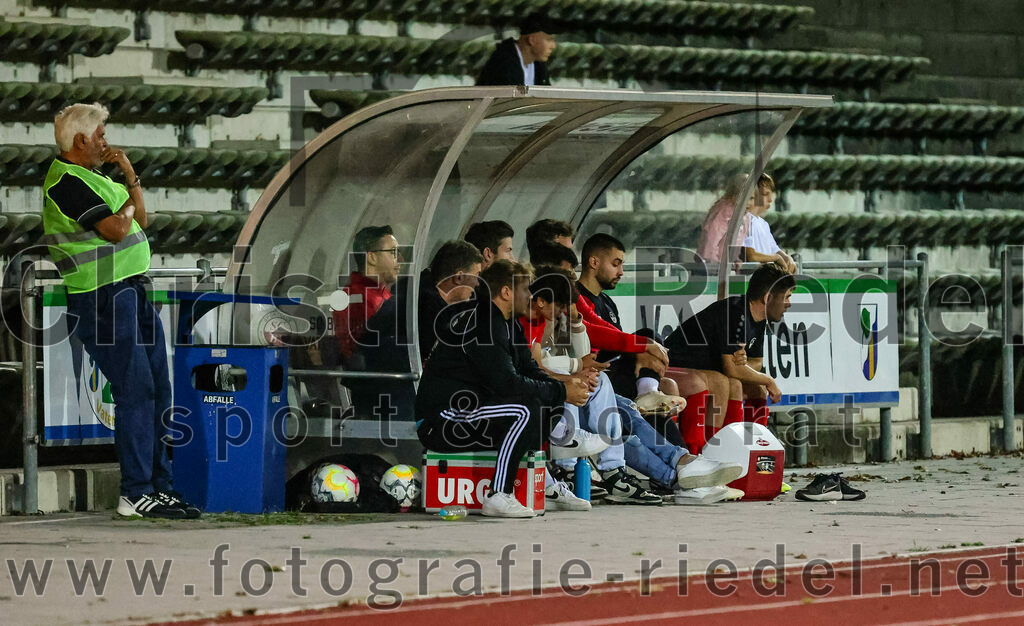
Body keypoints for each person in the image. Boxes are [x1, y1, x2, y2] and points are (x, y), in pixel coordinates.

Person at [42, 103, 199, 519]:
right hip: (101, 296)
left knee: (158, 390)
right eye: (100, 136)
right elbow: (117, 228)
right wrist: (125, 211)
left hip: (129, 290)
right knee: (135, 392)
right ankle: (135, 491)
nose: (105, 143)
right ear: (80, 141)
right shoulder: (64, 182)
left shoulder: (96, 178)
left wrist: (130, 176)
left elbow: (139, 219)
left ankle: (159, 487)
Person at [523, 267, 742, 504]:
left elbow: (593, 334)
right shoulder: (530, 318)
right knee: (623, 415)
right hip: (556, 400)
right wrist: (577, 369)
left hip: (582, 395)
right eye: (562, 305)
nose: (564, 311)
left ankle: (681, 471)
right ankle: (678, 473)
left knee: (623, 411)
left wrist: (576, 323)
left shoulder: (564, 311)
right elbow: (540, 364)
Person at [416, 260, 590, 518]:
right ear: (507, 292)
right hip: (441, 419)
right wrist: (563, 391)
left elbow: (529, 369)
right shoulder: (483, 323)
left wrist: (563, 385)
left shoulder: (509, 323)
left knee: (548, 403)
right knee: (526, 409)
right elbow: (507, 383)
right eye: (526, 289)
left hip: (474, 411)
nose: (531, 295)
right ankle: (498, 495)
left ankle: (543, 485)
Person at [664, 263, 796, 450]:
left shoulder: (758, 320)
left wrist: (743, 365)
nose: (789, 304)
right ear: (767, 298)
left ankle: (750, 449)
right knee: (723, 382)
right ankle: (707, 451)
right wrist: (768, 379)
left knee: (752, 388)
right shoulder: (734, 313)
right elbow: (732, 368)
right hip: (672, 366)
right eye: (787, 297)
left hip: (700, 370)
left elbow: (756, 362)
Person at [333, 225, 402, 362]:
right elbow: (360, 354)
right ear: (372, 257)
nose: (400, 259)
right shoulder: (353, 299)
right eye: (393, 252)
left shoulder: (384, 296)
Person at [696, 173, 773, 267]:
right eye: (743, 197)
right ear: (733, 196)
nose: (747, 203)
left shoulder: (746, 216)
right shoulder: (725, 211)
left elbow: (737, 240)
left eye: (751, 198)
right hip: (711, 264)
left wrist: (735, 259)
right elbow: (712, 237)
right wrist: (711, 261)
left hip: (725, 265)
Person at [476, 14, 557, 87]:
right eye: (549, 40)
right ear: (532, 40)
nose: (553, 46)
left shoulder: (539, 65)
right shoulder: (503, 62)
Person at [741, 174, 797, 274]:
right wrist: (776, 258)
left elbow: (774, 249)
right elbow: (750, 256)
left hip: (767, 280)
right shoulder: (743, 220)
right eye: (765, 194)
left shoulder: (764, 224)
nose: (770, 200)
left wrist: (787, 258)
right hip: (751, 281)